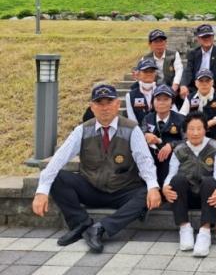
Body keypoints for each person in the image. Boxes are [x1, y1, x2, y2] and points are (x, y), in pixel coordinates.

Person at [32, 84, 161, 253]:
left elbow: (144, 161)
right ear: (92, 107)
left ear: (117, 104)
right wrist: (41, 191)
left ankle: (100, 228)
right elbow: (58, 159)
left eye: (109, 102)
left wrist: (153, 187)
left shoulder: (132, 129)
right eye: (99, 103)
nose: (105, 108)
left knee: (147, 192)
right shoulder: (82, 130)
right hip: (91, 188)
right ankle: (81, 224)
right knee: (56, 177)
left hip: (123, 190)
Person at [162, 111, 216, 257]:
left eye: (199, 128)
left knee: (210, 181)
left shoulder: (215, 147)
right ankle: (184, 228)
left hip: (208, 197)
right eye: (191, 129)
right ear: (185, 131)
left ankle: (205, 232)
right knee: (176, 179)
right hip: (186, 197)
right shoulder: (179, 149)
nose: (195, 133)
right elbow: (171, 173)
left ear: (205, 129)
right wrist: (165, 188)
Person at [142, 85, 185, 187]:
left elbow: (188, 140)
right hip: (152, 158)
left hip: (174, 158)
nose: (161, 102)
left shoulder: (181, 119)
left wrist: (171, 145)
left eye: (166, 99)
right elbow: (140, 135)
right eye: (158, 99)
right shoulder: (147, 118)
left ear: (172, 103)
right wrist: (145, 135)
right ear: (153, 102)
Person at [180, 24, 216, 99]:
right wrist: (183, 85)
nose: (207, 39)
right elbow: (188, 71)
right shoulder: (193, 53)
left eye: (209, 36)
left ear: (213, 37)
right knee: (181, 91)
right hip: (197, 88)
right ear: (198, 39)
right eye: (204, 37)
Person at [179, 69, 216, 142]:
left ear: (212, 82)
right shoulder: (190, 97)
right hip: (196, 134)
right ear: (196, 83)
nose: (204, 84)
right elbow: (181, 116)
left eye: (207, 81)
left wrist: (212, 122)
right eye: (201, 81)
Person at [125, 59, 158, 126]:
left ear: (155, 74)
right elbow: (132, 119)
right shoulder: (130, 95)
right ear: (138, 74)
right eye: (145, 71)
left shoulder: (163, 91)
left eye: (151, 71)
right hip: (139, 130)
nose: (149, 74)